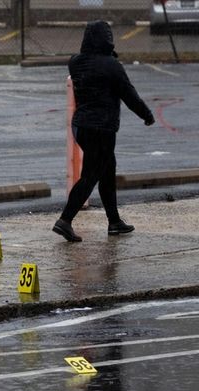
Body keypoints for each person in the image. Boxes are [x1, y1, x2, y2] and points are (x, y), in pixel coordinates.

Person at [53, 20, 155, 242]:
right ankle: (65, 220)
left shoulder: (75, 62)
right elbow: (129, 95)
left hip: (81, 126)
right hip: (102, 128)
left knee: (107, 171)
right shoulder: (112, 66)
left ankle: (114, 222)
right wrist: (147, 115)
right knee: (91, 175)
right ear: (107, 39)